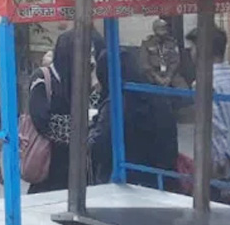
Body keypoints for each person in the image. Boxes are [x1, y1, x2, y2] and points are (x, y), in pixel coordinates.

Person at [27, 27, 105, 194]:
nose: (90, 60)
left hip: (81, 168)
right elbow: (42, 121)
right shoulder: (43, 78)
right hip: (50, 166)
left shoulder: (83, 79)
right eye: (86, 54)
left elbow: (97, 113)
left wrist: (94, 82)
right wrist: (81, 126)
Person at [90, 49, 178, 190]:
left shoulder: (117, 101)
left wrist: (91, 128)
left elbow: (99, 145)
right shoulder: (155, 94)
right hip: (162, 180)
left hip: (126, 182)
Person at [186, 27, 230, 184]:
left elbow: (216, 127)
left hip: (223, 163)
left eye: (192, 48)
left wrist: (219, 163)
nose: (190, 53)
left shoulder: (203, 83)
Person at [140, 18, 186, 88]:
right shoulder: (147, 43)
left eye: (164, 28)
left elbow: (175, 61)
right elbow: (145, 63)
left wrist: (169, 76)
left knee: (183, 87)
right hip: (153, 74)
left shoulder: (171, 43)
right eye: (160, 28)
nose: (163, 31)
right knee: (145, 85)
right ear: (155, 30)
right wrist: (156, 76)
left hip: (170, 73)